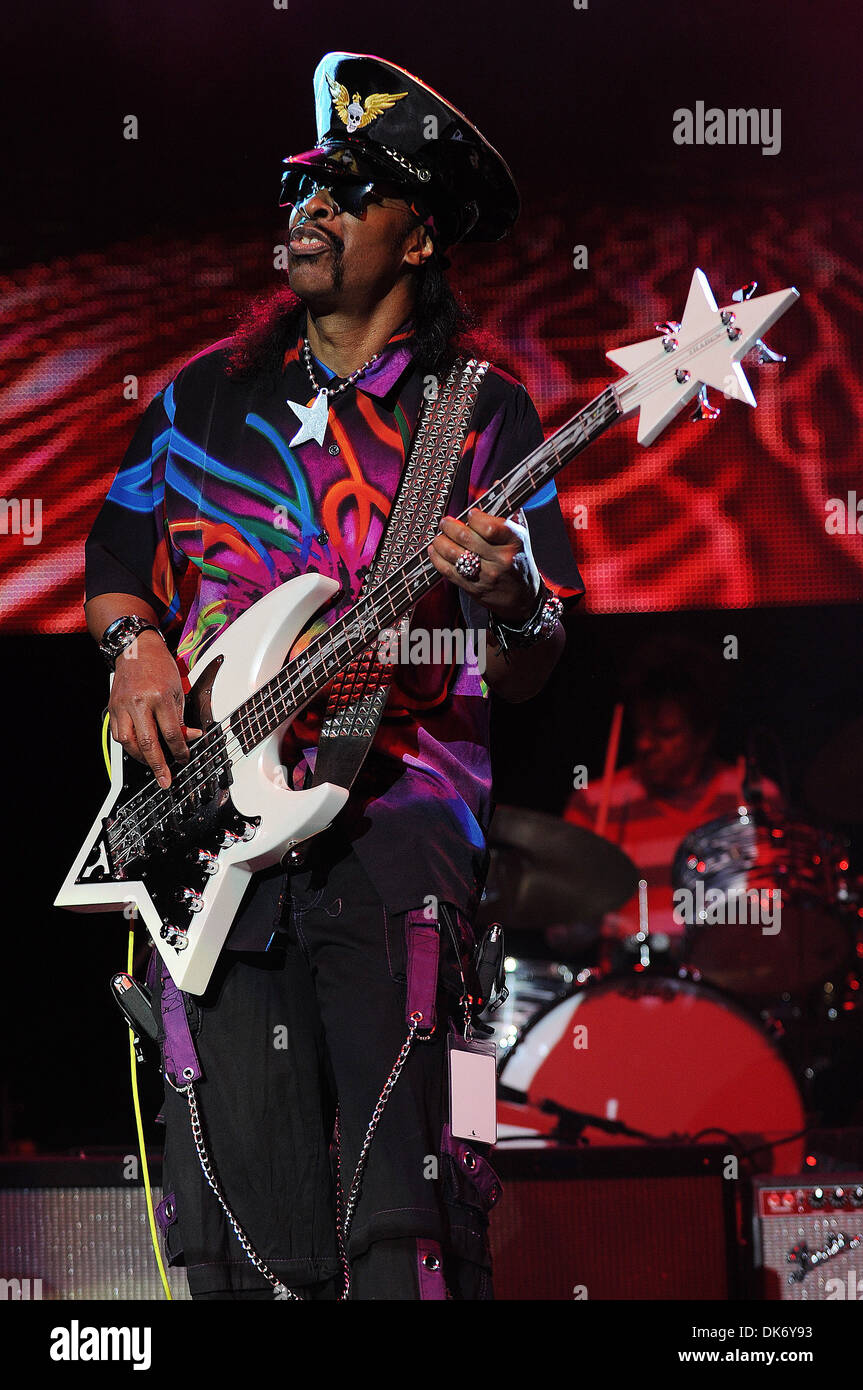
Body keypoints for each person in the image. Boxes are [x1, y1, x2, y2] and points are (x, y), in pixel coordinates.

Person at [83, 53, 584, 1300]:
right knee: (234, 1228)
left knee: (397, 1211)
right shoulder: (202, 396)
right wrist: (129, 644)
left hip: (396, 833)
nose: (304, 207)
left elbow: (530, 667)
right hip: (205, 845)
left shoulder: (481, 413)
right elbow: (113, 563)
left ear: (417, 236)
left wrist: (511, 594)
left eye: (347, 189)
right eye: (303, 179)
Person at [562, 635, 783, 954]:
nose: (645, 745)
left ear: (704, 736)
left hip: (731, 984)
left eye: (665, 734)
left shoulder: (753, 796)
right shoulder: (595, 803)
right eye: (641, 731)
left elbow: (777, 917)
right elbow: (559, 929)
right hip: (627, 992)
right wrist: (577, 915)